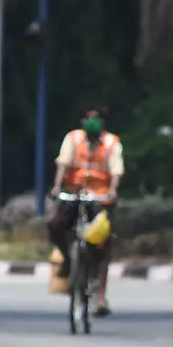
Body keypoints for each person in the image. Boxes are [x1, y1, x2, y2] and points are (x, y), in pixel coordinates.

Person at [49, 106, 123, 316]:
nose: (92, 122)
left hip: (100, 197)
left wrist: (112, 191)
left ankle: (101, 297)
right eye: (88, 118)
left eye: (96, 118)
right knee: (55, 224)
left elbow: (116, 170)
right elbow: (63, 163)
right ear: (82, 121)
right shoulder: (73, 139)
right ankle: (67, 259)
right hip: (75, 193)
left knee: (103, 243)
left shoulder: (111, 143)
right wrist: (57, 186)